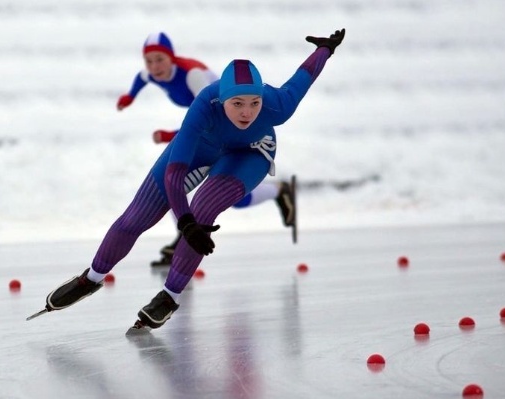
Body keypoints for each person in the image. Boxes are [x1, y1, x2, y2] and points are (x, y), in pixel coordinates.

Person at [42, 29, 346, 330]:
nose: (247, 113)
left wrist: (325, 48)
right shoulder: (203, 106)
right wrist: (183, 223)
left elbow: (304, 75)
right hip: (204, 146)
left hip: (249, 153)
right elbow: (174, 174)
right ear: (221, 100)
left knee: (203, 209)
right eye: (237, 103)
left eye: (254, 102)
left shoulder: (278, 104)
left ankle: (170, 296)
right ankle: (91, 278)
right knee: (137, 217)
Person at [116, 32, 296, 267]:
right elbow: (141, 78)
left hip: (227, 129)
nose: (154, 66)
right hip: (209, 133)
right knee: (173, 186)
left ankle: (279, 190)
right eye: (149, 61)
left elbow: (203, 121)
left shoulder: (194, 77)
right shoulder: (151, 73)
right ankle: (184, 235)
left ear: (172, 57)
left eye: (160, 59)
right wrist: (130, 96)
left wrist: (171, 135)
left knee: (231, 199)